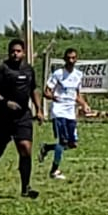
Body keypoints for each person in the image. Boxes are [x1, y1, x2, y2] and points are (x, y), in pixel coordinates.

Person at [0, 39, 44, 199]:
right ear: (9, 53)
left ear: (24, 53)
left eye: (18, 51)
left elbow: (33, 89)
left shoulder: (29, 70)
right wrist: (5, 102)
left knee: (25, 148)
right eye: (13, 51)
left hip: (23, 116)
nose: (15, 54)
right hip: (1, 116)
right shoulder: (2, 69)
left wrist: (39, 109)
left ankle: (26, 187)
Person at [38, 48, 91, 179]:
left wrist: (84, 105)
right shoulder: (58, 74)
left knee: (72, 144)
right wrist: (53, 97)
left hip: (70, 112)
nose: (71, 61)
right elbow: (46, 92)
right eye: (68, 58)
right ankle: (54, 171)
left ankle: (47, 148)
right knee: (63, 141)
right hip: (59, 111)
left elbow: (77, 95)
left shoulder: (78, 75)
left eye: (73, 58)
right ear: (64, 59)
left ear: (76, 59)